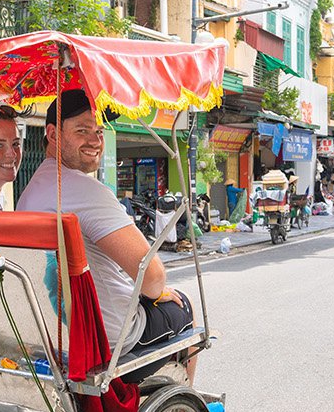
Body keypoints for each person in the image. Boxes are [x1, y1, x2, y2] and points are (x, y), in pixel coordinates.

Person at [16, 89, 204, 386]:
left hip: (54, 330)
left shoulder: (30, 192)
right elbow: (152, 276)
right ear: (52, 134)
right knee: (185, 306)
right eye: (82, 130)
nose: (95, 140)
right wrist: (154, 293)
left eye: (99, 131)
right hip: (110, 340)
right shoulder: (86, 191)